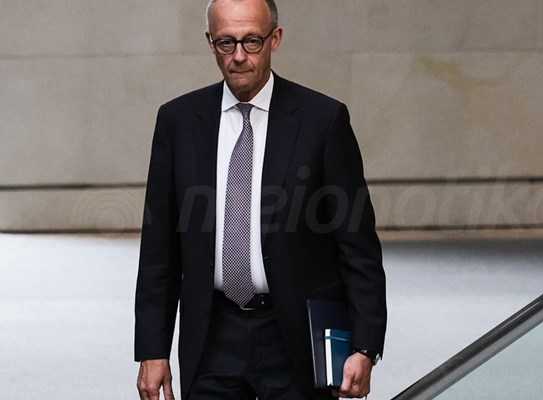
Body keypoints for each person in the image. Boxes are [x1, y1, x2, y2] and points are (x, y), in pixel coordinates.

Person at [134, 0, 387, 399]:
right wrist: (153, 349)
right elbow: (158, 249)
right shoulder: (178, 121)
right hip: (211, 335)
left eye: (252, 41)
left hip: (295, 337)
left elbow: (357, 247)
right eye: (226, 42)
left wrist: (365, 346)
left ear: (275, 39)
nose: (238, 56)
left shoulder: (323, 120)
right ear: (210, 43)